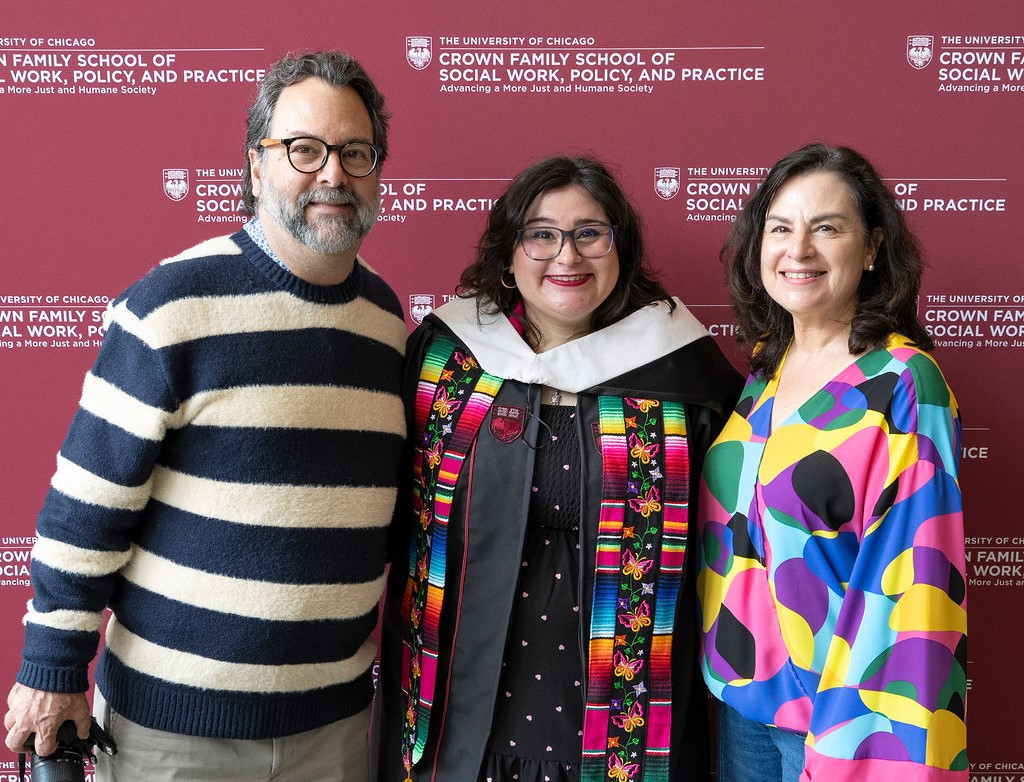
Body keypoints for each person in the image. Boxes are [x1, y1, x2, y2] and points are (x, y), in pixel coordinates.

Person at [3, 50, 406, 782]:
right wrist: (52, 666)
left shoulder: (386, 320)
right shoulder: (173, 305)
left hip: (336, 727)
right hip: (176, 734)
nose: (333, 175)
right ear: (257, 166)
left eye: (355, 152)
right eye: (305, 149)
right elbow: (85, 510)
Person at [374, 155, 743, 782]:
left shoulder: (685, 378)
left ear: (619, 247)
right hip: (462, 702)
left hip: (623, 708)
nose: (566, 257)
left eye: (589, 234)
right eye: (541, 234)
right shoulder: (447, 361)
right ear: (509, 251)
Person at [696, 143, 968, 782]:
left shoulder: (902, 384)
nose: (799, 249)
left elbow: (913, 588)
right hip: (743, 707)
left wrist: (858, 752)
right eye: (780, 228)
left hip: (844, 723)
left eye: (827, 227)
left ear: (872, 248)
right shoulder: (768, 368)